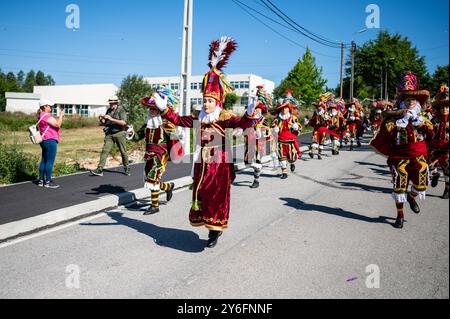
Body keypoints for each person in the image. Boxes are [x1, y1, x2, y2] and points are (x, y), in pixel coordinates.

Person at [152, 36, 256, 248]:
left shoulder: (225, 117)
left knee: (217, 196)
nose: (206, 103)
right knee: (202, 194)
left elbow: (244, 123)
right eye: (205, 100)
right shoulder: (198, 117)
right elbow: (178, 120)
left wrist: (250, 112)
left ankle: (214, 232)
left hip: (220, 163)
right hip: (202, 162)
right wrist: (165, 109)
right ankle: (208, 225)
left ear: (217, 102)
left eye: (210, 101)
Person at [370, 72, 434, 229]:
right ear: (402, 102)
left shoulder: (423, 117)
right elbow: (384, 134)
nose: (411, 102)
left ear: (417, 101)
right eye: (407, 99)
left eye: (413, 99)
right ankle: (399, 216)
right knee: (400, 184)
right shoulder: (395, 119)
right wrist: (398, 122)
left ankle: (412, 198)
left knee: (421, 184)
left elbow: (431, 132)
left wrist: (420, 123)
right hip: (399, 156)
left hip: (418, 155)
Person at [137, 88, 181, 215]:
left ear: (159, 111)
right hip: (149, 154)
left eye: (154, 109)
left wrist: (174, 132)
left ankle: (154, 206)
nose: (151, 111)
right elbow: (136, 137)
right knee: (148, 179)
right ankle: (168, 187)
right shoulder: (147, 124)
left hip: (161, 154)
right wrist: (129, 132)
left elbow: (174, 138)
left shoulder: (166, 124)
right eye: (150, 109)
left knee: (153, 177)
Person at [91, 96, 130, 176]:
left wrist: (111, 119)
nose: (111, 105)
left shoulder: (121, 110)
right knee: (105, 151)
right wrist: (101, 119)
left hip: (119, 133)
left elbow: (123, 122)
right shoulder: (109, 110)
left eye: (112, 103)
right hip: (109, 133)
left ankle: (127, 168)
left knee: (123, 152)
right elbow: (105, 123)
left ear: (116, 103)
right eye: (110, 103)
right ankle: (100, 169)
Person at [242, 85, 272, 189]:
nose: (257, 111)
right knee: (247, 162)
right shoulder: (249, 118)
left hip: (259, 144)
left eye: (259, 109)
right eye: (256, 109)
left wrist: (262, 131)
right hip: (249, 142)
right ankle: (258, 169)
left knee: (257, 160)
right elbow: (243, 126)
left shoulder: (263, 120)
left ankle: (256, 180)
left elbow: (268, 131)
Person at [271, 90, 302, 178]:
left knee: (291, 159)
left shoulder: (293, 118)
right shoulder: (277, 119)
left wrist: (296, 126)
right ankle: (284, 173)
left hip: (290, 141)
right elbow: (271, 126)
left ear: (289, 108)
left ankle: (292, 163)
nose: (284, 109)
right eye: (283, 108)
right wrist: (274, 129)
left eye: (286, 108)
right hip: (280, 141)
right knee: (282, 158)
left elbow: (299, 127)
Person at [37, 100, 65, 188]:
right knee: (49, 161)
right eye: (50, 106)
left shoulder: (40, 115)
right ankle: (48, 182)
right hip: (50, 140)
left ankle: (41, 181)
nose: (51, 107)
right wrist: (61, 116)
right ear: (45, 106)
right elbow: (57, 125)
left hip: (43, 140)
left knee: (44, 160)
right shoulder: (46, 115)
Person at [429, 84, 449, 199]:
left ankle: (447, 189)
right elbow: (426, 129)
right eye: (442, 107)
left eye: (447, 107)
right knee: (429, 166)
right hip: (434, 147)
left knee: (447, 170)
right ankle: (435, 175)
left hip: (447, 148)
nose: (444, 109)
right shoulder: (434, 119)